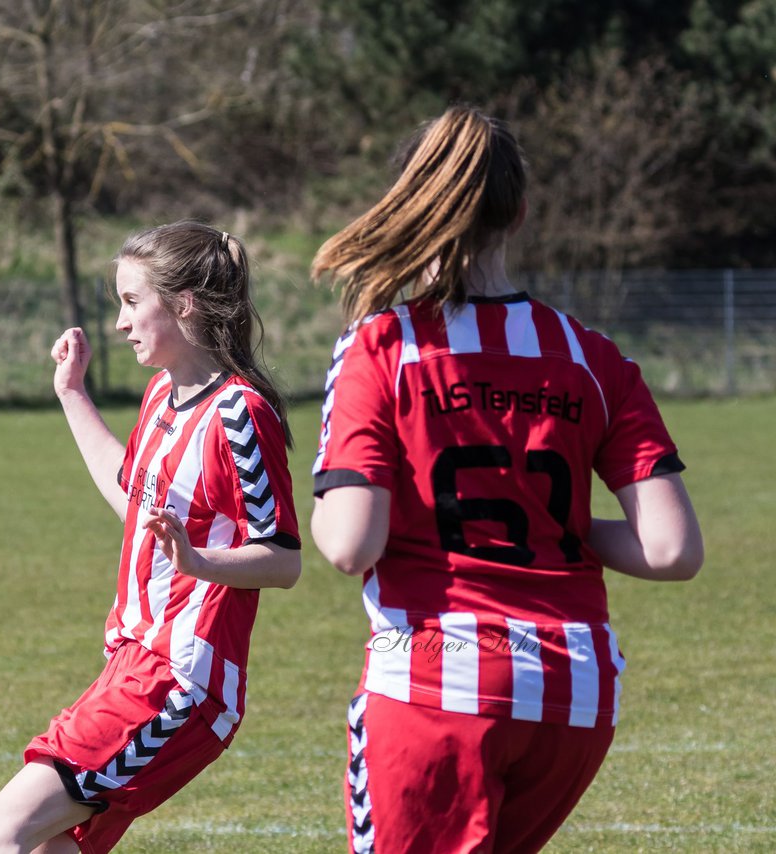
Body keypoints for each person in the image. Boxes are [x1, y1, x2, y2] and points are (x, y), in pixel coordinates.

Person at [308, 106, 704, 854]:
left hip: (438, 677)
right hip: (575, 687)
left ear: (406, 203)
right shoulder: (593, 356)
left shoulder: (382, 345)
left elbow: (349, 544)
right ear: (518, 215)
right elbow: (673, 550)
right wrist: (557, 524)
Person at [0, 221, 301, 854]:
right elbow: (134, 500)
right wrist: (71, 396)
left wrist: (198, 561)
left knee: (0, 827)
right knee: (45, 843)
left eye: (131, 300)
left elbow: (283, 560)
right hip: (132, 664)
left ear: (184, 304)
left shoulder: (239, 413)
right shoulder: (161, 395)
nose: (120, 321)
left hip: (182, 679)